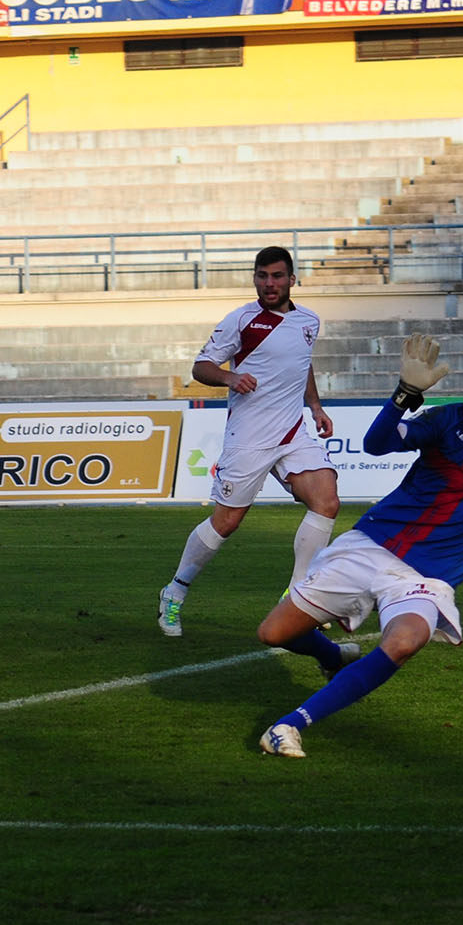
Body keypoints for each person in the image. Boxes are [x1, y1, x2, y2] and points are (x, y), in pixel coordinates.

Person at [255, 339, 463, 758]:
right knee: (273, 633)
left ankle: (289, 724)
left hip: (426, 578)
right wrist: (404, 395)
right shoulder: (448, 422)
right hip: (370, 546)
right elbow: (375, 444)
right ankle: (336, 658)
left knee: (404, 641)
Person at [157, 246, 337, 638]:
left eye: (276, 276)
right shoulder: (241, 320)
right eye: (262, 276)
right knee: (227, 522)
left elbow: (302, 364)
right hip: (249, 437)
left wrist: (316, 406)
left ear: (292, 278)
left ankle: (298, 596)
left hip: (292, 432)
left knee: (326, 502)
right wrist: (229, 378)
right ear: (254, 278)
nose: (269, 283)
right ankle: (174, 591)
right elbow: (201, 366)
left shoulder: (309, 320)